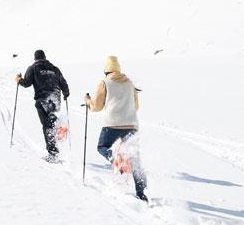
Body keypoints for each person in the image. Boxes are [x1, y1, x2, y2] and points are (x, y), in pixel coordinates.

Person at [85, 55, 148, 202]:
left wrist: (88, 101)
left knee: (102, 147)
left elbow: (97, 106)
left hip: (112, 123)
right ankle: (141, 193)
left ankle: (115, 158)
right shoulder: (129, 83)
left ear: (106, 70)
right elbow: (136, 106)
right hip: (131, 124)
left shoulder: (105, 82)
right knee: (134, 157)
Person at [15, 49, 70, 162]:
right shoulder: (55, 69)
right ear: (45, 57)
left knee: (47, 127)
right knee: (51, 121)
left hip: (43, 101)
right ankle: (59, 128)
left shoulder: (33, 68)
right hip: (55, 100)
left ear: (35, 58)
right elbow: (63, 83)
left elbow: (27, 83)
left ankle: (53, 154)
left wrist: (19, 80)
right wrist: (66, 93)